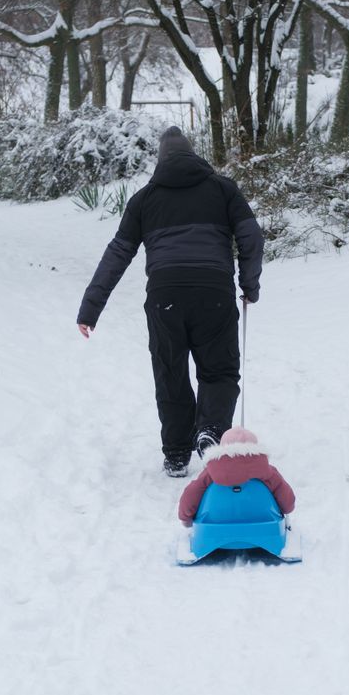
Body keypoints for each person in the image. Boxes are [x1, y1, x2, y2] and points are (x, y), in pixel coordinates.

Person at [77, 127, 264, 478]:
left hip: (165, 296)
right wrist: (249, 285)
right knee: (219, 369)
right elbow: (251, 236)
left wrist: (91, 308)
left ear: (161, 160)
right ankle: (210, 430)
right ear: (193, 155)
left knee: (170, 372)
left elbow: (117, 253)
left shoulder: (144, 199)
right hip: (214, 294)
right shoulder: (223, 189)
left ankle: (177, 453)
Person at [177, 427, 295, 527]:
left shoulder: (210, 473)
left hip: (215, 524)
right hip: (263, 522)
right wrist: (286, 509)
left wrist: (186, 519)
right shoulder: (269, 472)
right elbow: (287, 499)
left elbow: (191, 493)